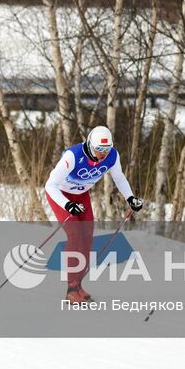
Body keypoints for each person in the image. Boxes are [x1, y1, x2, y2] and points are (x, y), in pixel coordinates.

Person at [43, 125, 144, 302]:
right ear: (90, 145)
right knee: (74, 235)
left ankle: (78, 284)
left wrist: (130, 198)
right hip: (61, 195)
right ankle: (71, 288)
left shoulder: (112, 155)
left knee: (87, 237)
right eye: (99, 149)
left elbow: (118, 177)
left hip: (81, 195)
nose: (103, 154)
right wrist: (67, 205)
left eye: (106, 149)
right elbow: (50, 185)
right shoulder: (72, 156)